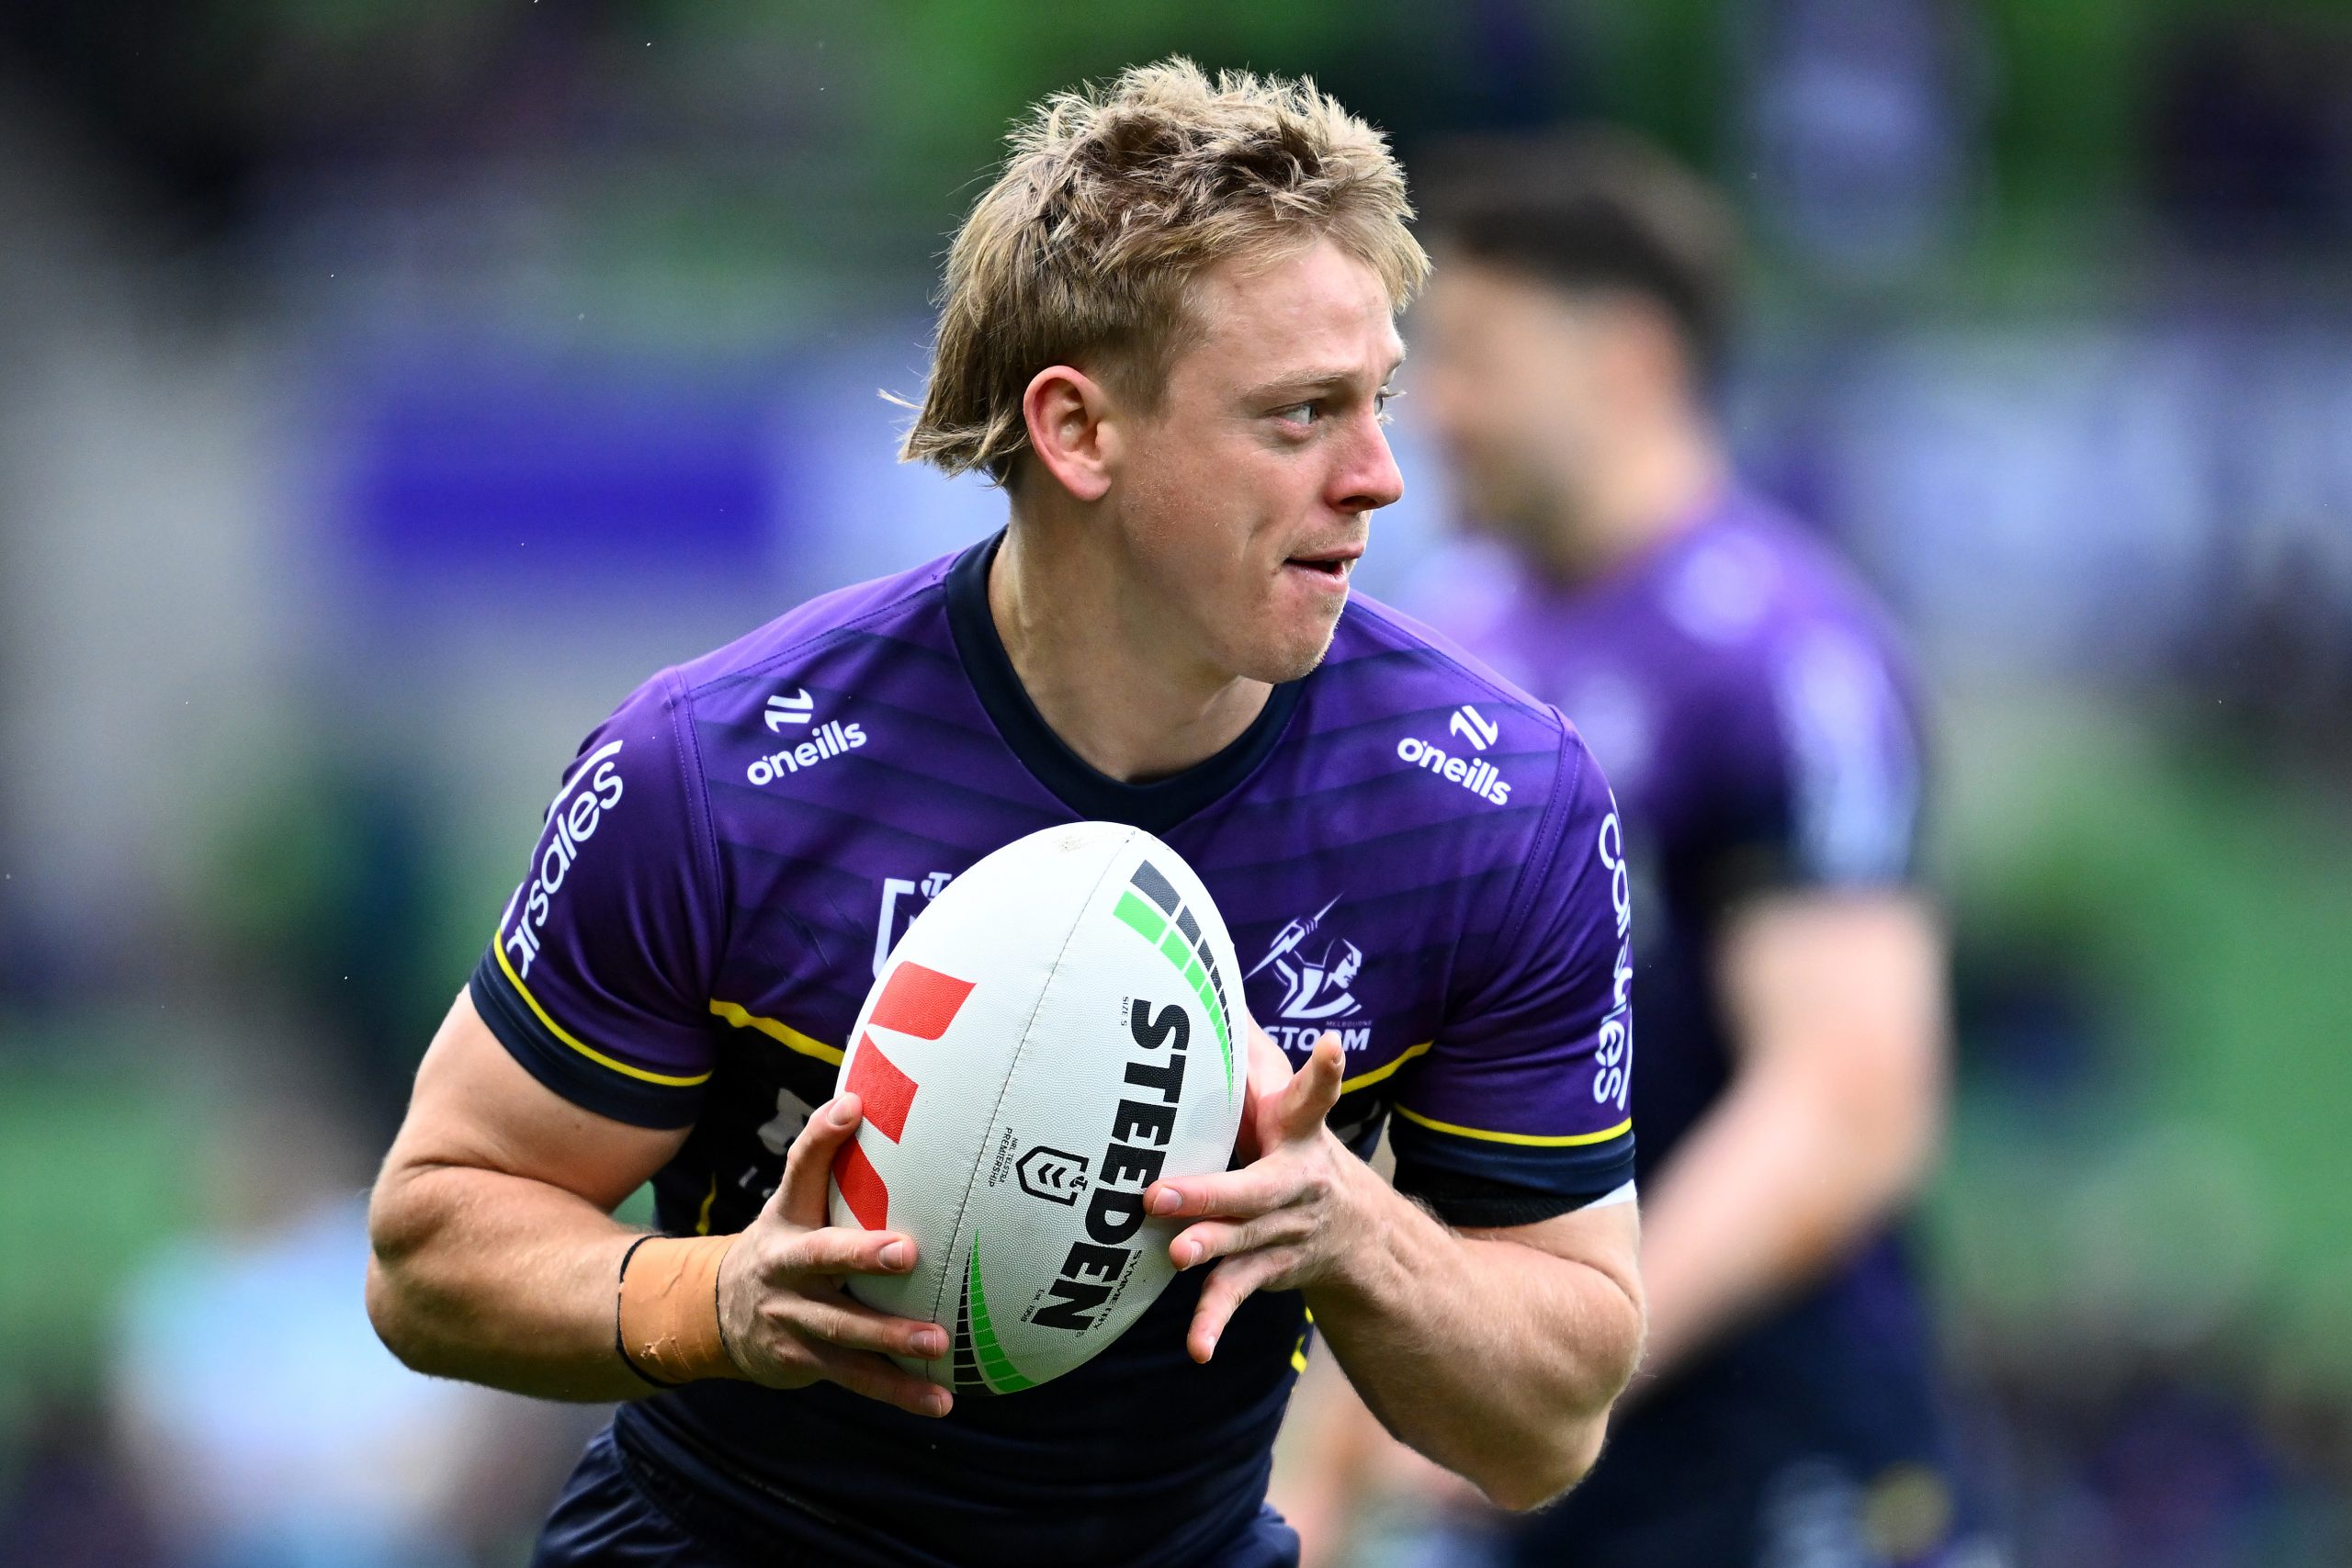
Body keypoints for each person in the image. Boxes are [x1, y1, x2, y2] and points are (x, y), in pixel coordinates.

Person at [365, 63, 1647, 1568]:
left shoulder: (1495, 810)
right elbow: (430, 1247)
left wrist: (1350, 1234)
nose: (1378, 479)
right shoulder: (715, 777)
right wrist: (714, 1302)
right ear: (1078, 432)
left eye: (1379, 404)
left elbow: (1545, 1430)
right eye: (1300, 417)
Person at [1281, 132, 1984, 1567]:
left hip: (1773, 1468)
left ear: (1632, 361)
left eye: (1474, 358)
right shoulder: (1445, 638)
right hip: (1507, 1472)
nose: (1439, 415)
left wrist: (1551, 1358)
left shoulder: (1783, 657)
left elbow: (1850, 1104)